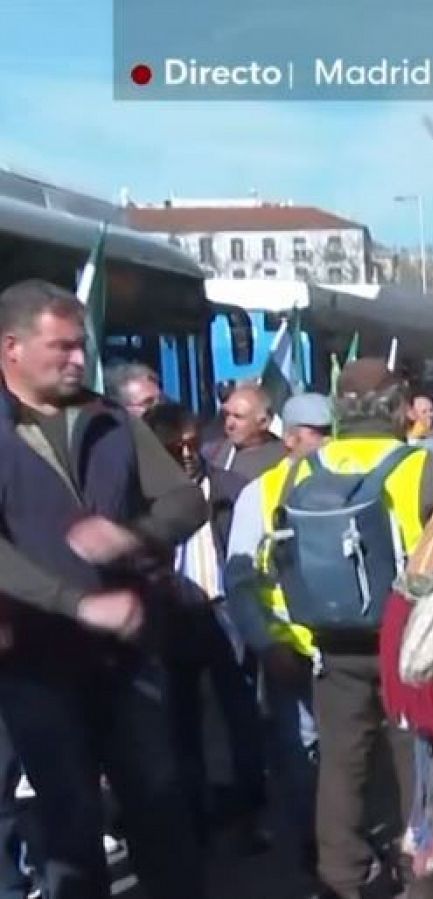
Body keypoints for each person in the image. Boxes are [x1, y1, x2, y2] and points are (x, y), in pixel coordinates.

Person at [0, 279, 208, 899]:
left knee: (161, 812)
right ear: (10, 347)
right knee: (71, 830)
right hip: (36, 664)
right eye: (60, 347)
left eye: (80, 347)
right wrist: (79, 602)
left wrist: (135, 536)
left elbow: (184, 499)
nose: (77, 360)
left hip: (128, 658)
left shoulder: (109, 419)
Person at [234, 359, 433, 899]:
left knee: (339, 768)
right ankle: (425, 881)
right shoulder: (423, 467)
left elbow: (266, 562)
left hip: (330, 642)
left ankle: (340, 881)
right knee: (419, 762)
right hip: (408, 642)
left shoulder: (295, 473)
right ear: (400, 406)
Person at [142, 401, 271, 855]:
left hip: (226, 616)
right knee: (180, 726)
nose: (187, 452)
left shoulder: (232, 489)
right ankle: (193, 819)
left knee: (242, 719)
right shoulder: (139, 499)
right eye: (174, 446)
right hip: (169, 620)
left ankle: (248, 815)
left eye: (193, 443)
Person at [223, 391, 334, 883]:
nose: (331, 446)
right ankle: (313, 850)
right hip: (292, 653)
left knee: (345, 757)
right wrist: (266, 645)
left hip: (348, 654)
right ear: (290, 438)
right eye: (319, 436)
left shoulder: (355, 486)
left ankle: (339, 841)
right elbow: (241, 581)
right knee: (300, 758)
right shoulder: (261, 495)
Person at [210, 382, 287, 481]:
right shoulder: (215, 452)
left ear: (263, 422)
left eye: (238, 417)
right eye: (227, 415)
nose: (229, 423)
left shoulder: (283, 459)